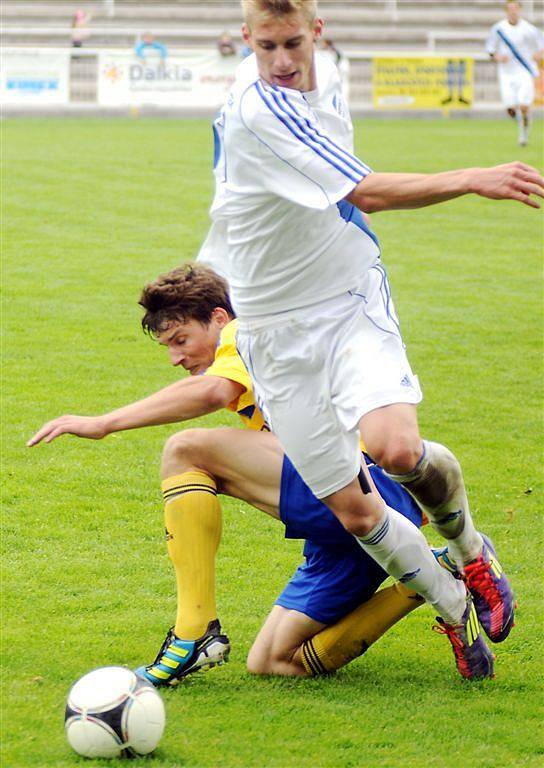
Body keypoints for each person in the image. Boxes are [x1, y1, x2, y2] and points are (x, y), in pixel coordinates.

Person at [204, 0, 543, 679]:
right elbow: (366, 190)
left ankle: (471, 551)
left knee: (393, 447)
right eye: (265, 46)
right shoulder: (257, 107)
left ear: (316, 33)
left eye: (292, 43)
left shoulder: (324, 75)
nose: (281, 61)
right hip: (272, 329)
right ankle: (451, 608)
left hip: (349, 297)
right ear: (246, 40)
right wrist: (473, 177)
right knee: (358, 514)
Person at [28, 264, 465, 683]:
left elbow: (217, 390)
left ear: (219, 317)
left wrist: (103, 423)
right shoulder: (254, 338)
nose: (176, 358)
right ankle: (430, 575)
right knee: (274, 661)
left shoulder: (243, 333)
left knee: (186, 449)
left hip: (365, 483)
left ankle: (193, 633)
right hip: (349, 528)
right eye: (168, 347)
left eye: (181, 340)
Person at [486, 0, 544, 145]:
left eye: (516, 8)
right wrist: (498, 57)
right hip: (506, 73)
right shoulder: (498, 29)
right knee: (511, 109)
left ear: (520, 10)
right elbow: (490, 50)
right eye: (510, 9)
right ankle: (521, 121)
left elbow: (541, 45)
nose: (513, 11)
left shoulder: (529, 29)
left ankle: (523, 135)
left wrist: (539, 54)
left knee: (524, 105)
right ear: (506, 11)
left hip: (525, 71)